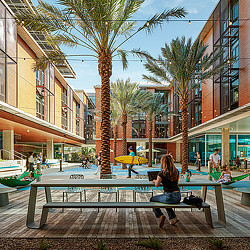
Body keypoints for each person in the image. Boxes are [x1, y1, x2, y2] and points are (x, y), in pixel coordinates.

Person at [150, 155, 181, 228]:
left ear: (163, 163)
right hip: (178, 196)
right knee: (165, 201)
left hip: (169, 197)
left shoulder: (162, 173)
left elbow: (156, 185)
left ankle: (160, 215)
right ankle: (173, 218)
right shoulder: (176, 172)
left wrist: (155, 180)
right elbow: (176, 183)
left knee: (152, 199)